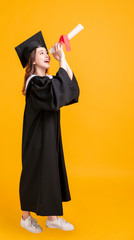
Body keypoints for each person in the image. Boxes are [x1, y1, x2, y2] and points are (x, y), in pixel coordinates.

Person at [15, 31, 80, 233]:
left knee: (51, 172)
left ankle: (52, 218)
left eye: (46, 52)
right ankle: (25, 218)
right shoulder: (34, 83)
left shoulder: (48, 80)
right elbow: (54, 95)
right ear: (32, 61)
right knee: (34, 174)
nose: (46, 55)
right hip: (37, 139)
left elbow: (69, 90)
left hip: (50, 137)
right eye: (41, 52)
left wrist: (63, 58)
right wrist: (60, 65)